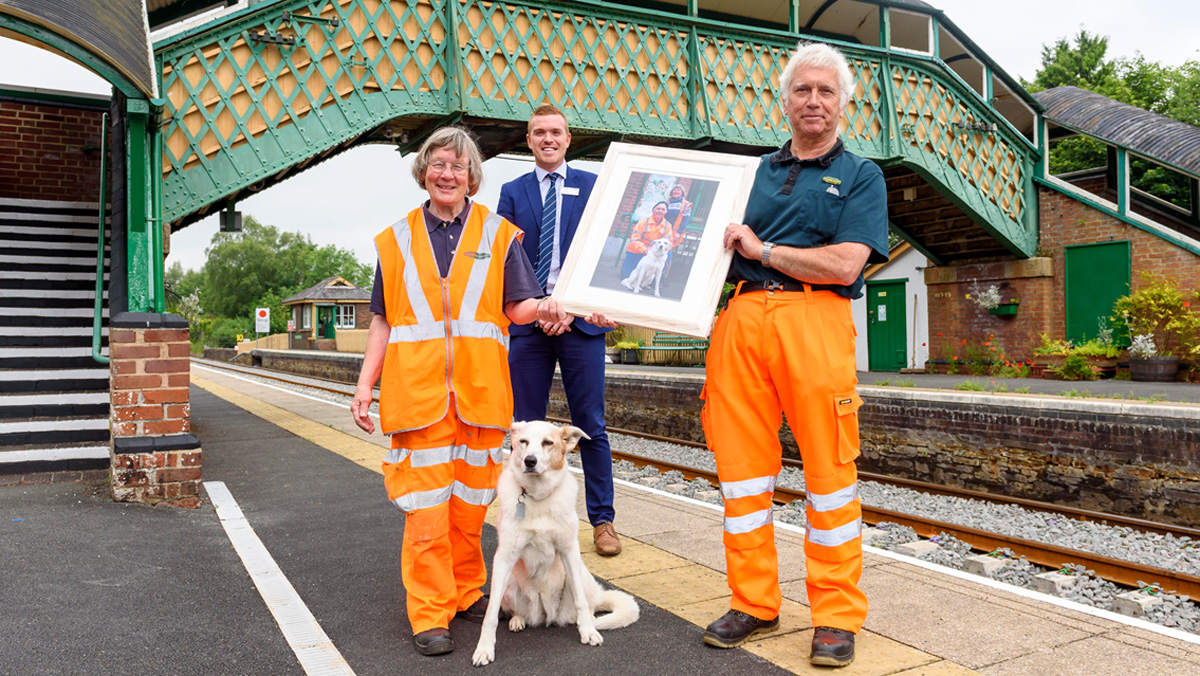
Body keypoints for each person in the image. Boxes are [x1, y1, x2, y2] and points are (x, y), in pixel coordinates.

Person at [700, 42, 888, 669]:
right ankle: (753, 602)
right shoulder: (746, 175)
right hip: (741, 318)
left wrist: (765, 249)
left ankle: (834, 616)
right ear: (785, 101)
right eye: (803, 90)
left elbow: (845, 262)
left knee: (830, 478)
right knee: (742, 473)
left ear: (843, 103)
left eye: (825, 91)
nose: (814, 101)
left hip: (815, 317)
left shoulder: (861, 175)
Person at [351, 126, 572, 658]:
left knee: (472, 505)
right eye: (438, 164)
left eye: (458, 166)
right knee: (427, 510)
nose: (447, 174)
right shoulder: (396, 239)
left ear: (473, 176)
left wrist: (548, 307)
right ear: (423, 171)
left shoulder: (499, 235)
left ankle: (468, 587)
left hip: (480, 394)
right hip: (418, 396)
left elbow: (517, 306)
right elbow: (382, 321)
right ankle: (430, 611)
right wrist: (365, 385)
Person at [496, 104, 623, 557]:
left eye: (556, 132)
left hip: (582, 324)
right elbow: (508, 258)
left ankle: (603, 522)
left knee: (590, 425)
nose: (548, 139)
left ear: (569, 139)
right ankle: (524, 518)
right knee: (524, 431)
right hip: (531, 324)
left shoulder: (593, 186)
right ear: (528, 141)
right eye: (539, 133)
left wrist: (570, 307)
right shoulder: (511, 193)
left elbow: (605, 251)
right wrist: (541, 307)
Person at [620, 200, 675, 280]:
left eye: (663, 209)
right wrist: (645, 249)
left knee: (668, 254)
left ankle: (659, 277)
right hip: (640, 249)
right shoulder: (643, 221)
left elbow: (668, 243)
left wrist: (655, 250)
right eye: (658, 209)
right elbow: (635, 239)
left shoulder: (668, 225)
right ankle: (626, 270)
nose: (660, 211)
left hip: (656, 251)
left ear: (666, 212)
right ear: (653, 210)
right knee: (627, 277)